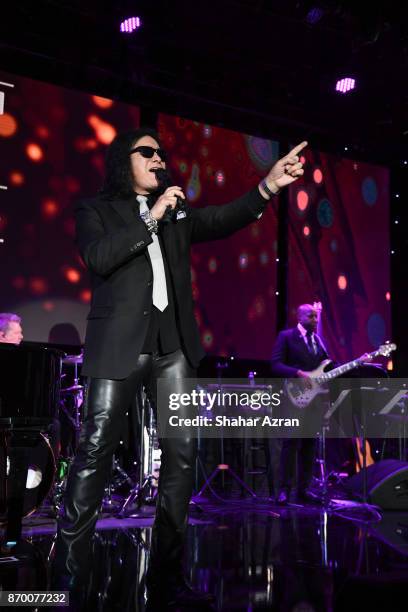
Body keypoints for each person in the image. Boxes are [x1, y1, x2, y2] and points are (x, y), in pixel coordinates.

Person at [53, 127, 307, 606]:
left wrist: (268, 185)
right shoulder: (97, 210)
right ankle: (69, 580)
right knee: (94, 452)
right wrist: (150, 218)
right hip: (118, 347)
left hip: (173, 349)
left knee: (183, 457)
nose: (157, 158)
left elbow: (222, 219)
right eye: (146, 152)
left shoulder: (177, 213)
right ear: (121, 160)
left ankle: (168, 578)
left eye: (160, 153)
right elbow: (99, 257)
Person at [271, 303, 329, 505]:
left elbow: (326, 366)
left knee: (309, 444)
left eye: (316, 316)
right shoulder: (286, 336)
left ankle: (303, 490)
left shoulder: (318, 341)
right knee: (291, 443)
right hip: (293, 398)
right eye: (311, 316)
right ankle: (284, 490)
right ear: (300, 317)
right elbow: (276, 364)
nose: (316, 320)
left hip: (314, 400)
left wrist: (358, 362)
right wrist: (298, 373)